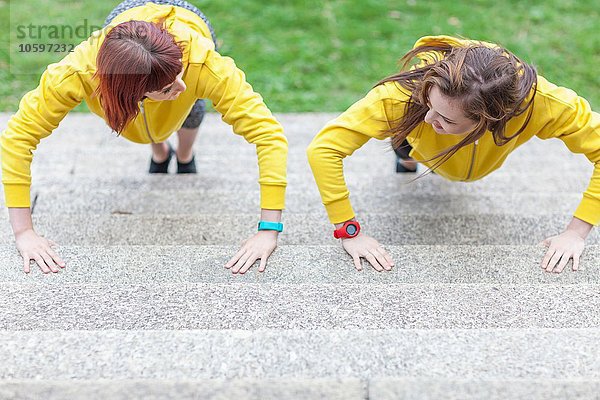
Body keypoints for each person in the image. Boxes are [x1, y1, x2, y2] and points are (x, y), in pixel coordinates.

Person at [1, 0, 288, 275]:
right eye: (167, 87)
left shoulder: (201, 64)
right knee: (139, 120)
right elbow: (17, 137)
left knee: (190, 104)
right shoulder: (77, 73)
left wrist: (268, 229)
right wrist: (24, 231)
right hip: (127, 52)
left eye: (180, 74)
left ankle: (185, 155)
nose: (182, 84)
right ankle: (160, 152)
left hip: (181, 26)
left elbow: (269, 135)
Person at [307, 35, 598, 274]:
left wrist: (575, 232)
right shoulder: (399, 98)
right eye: (429, 103)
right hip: (421, 146)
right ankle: (405, 152)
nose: (429, 116)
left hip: (481, 155)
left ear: (490, 119)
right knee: (410, 134)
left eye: (446, 119)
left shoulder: (543, 103)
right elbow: (323, 149)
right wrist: (349, 231)